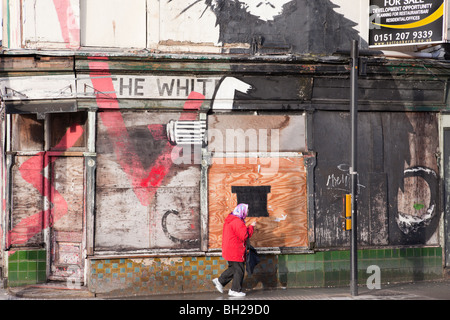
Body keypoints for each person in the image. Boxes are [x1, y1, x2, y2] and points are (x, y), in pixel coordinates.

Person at [213, 203, 256, 297]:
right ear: (242, 211)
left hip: (230, 249)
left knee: (234, 268)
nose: (247, 213)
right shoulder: (237, 221)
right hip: (236, 250)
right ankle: (235, 290)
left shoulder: (231, 219)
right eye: (246, 211)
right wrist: (252, 227)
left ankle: (220, 281)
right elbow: (244, 236)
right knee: (239, 270)